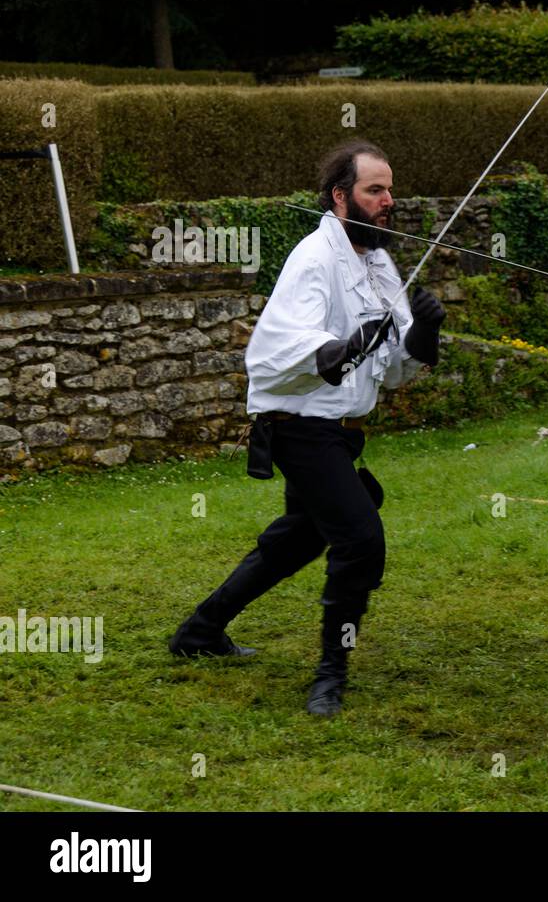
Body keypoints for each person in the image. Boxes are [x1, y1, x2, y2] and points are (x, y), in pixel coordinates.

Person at [169, 139, 445, 717]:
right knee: (360, 539)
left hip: (338, 429)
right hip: (297, 426)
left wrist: (421, 336)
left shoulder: (379, 261)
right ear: (341, 197)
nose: (388, 200)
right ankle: (329, 674)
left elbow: (392, 371)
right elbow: (277, 346)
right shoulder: (313, 257)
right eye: (375, 190)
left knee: (299, 537)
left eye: (390, 189)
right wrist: (342, 348)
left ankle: (200, 631)